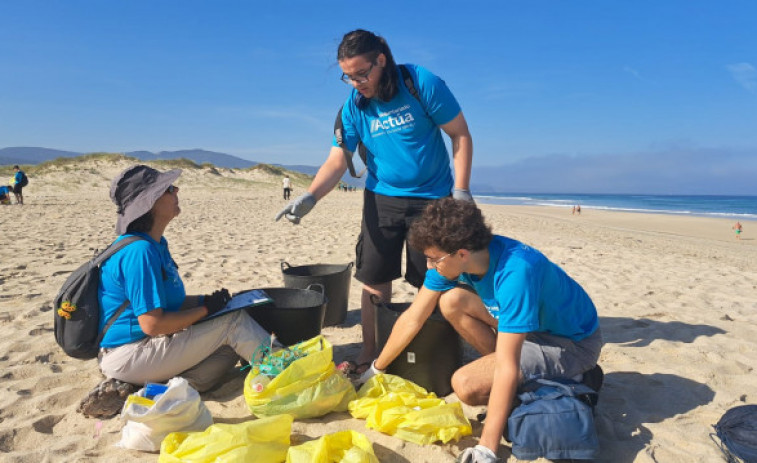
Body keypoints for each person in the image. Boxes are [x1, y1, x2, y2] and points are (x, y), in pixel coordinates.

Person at [275, 29, 473, 372]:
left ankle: (437, 347)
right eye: (348, 77)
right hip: (382, 199)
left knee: (432, 276)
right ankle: (370, 349)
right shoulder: (354, 106)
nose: (356, 83)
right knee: (374, 276)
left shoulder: (419, 82)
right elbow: (338, 159)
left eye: (362, 74)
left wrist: (462, 190)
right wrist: (311, 196)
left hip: (433, 198)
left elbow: (460, 134)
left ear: (382, 60)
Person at [358, 198, 602, 462]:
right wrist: (376, 369)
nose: (429, 266)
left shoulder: (516, 272)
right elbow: (413, 317)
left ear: (461, 253)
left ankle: (570, 378)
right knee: (451, 301)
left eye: (433, 259)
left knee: (466, 385)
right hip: (530, 328)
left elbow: (506, 365)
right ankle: (523, 376)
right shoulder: (458, 257)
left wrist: (486, 448)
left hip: (570, 343)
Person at [78, 165, 271, 418]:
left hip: (142, 352)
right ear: (150, 203)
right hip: (128, 352)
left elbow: (166, 302)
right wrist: (205, 311)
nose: (176, 191)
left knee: (227, 348)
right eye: (169, 189)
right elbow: (153, 324)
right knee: (234, 324)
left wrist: (210, 301)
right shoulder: (139, 252)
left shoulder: (155, 243)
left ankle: (150, 391)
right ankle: (288, 374)